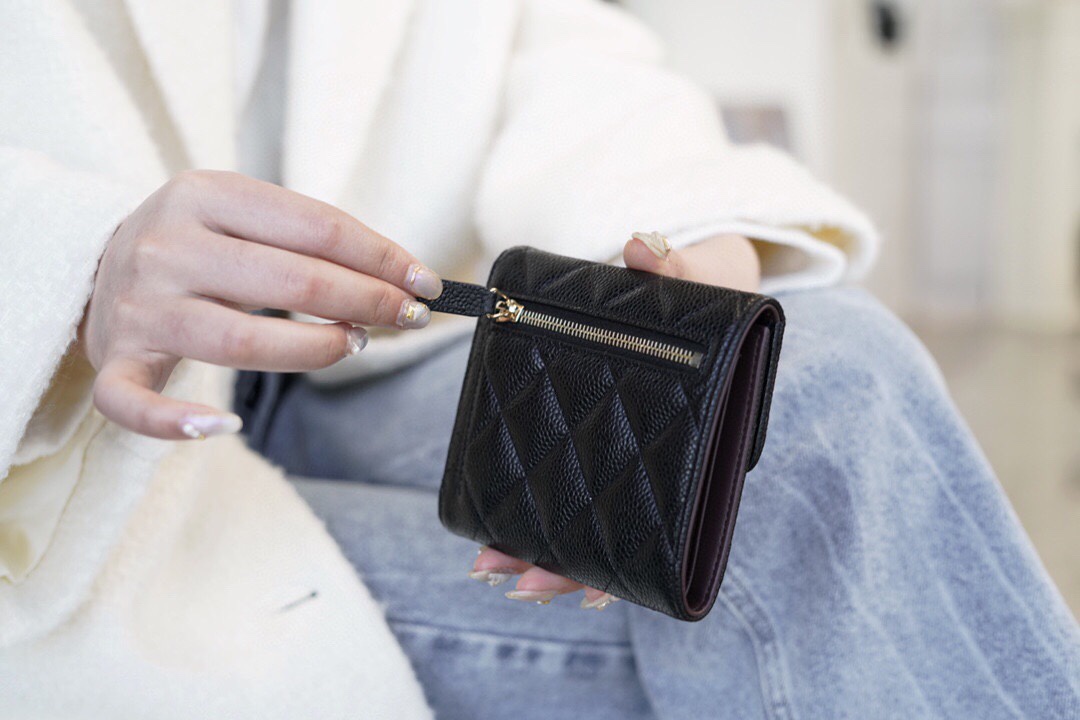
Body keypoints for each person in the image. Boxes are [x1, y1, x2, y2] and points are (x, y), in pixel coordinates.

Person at [0, 0, 1075, 717]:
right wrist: (82, 262)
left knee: (814, 385)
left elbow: (544, 41)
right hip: (69, 478)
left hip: (375, 358)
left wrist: (691, 233)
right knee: (800, 626)